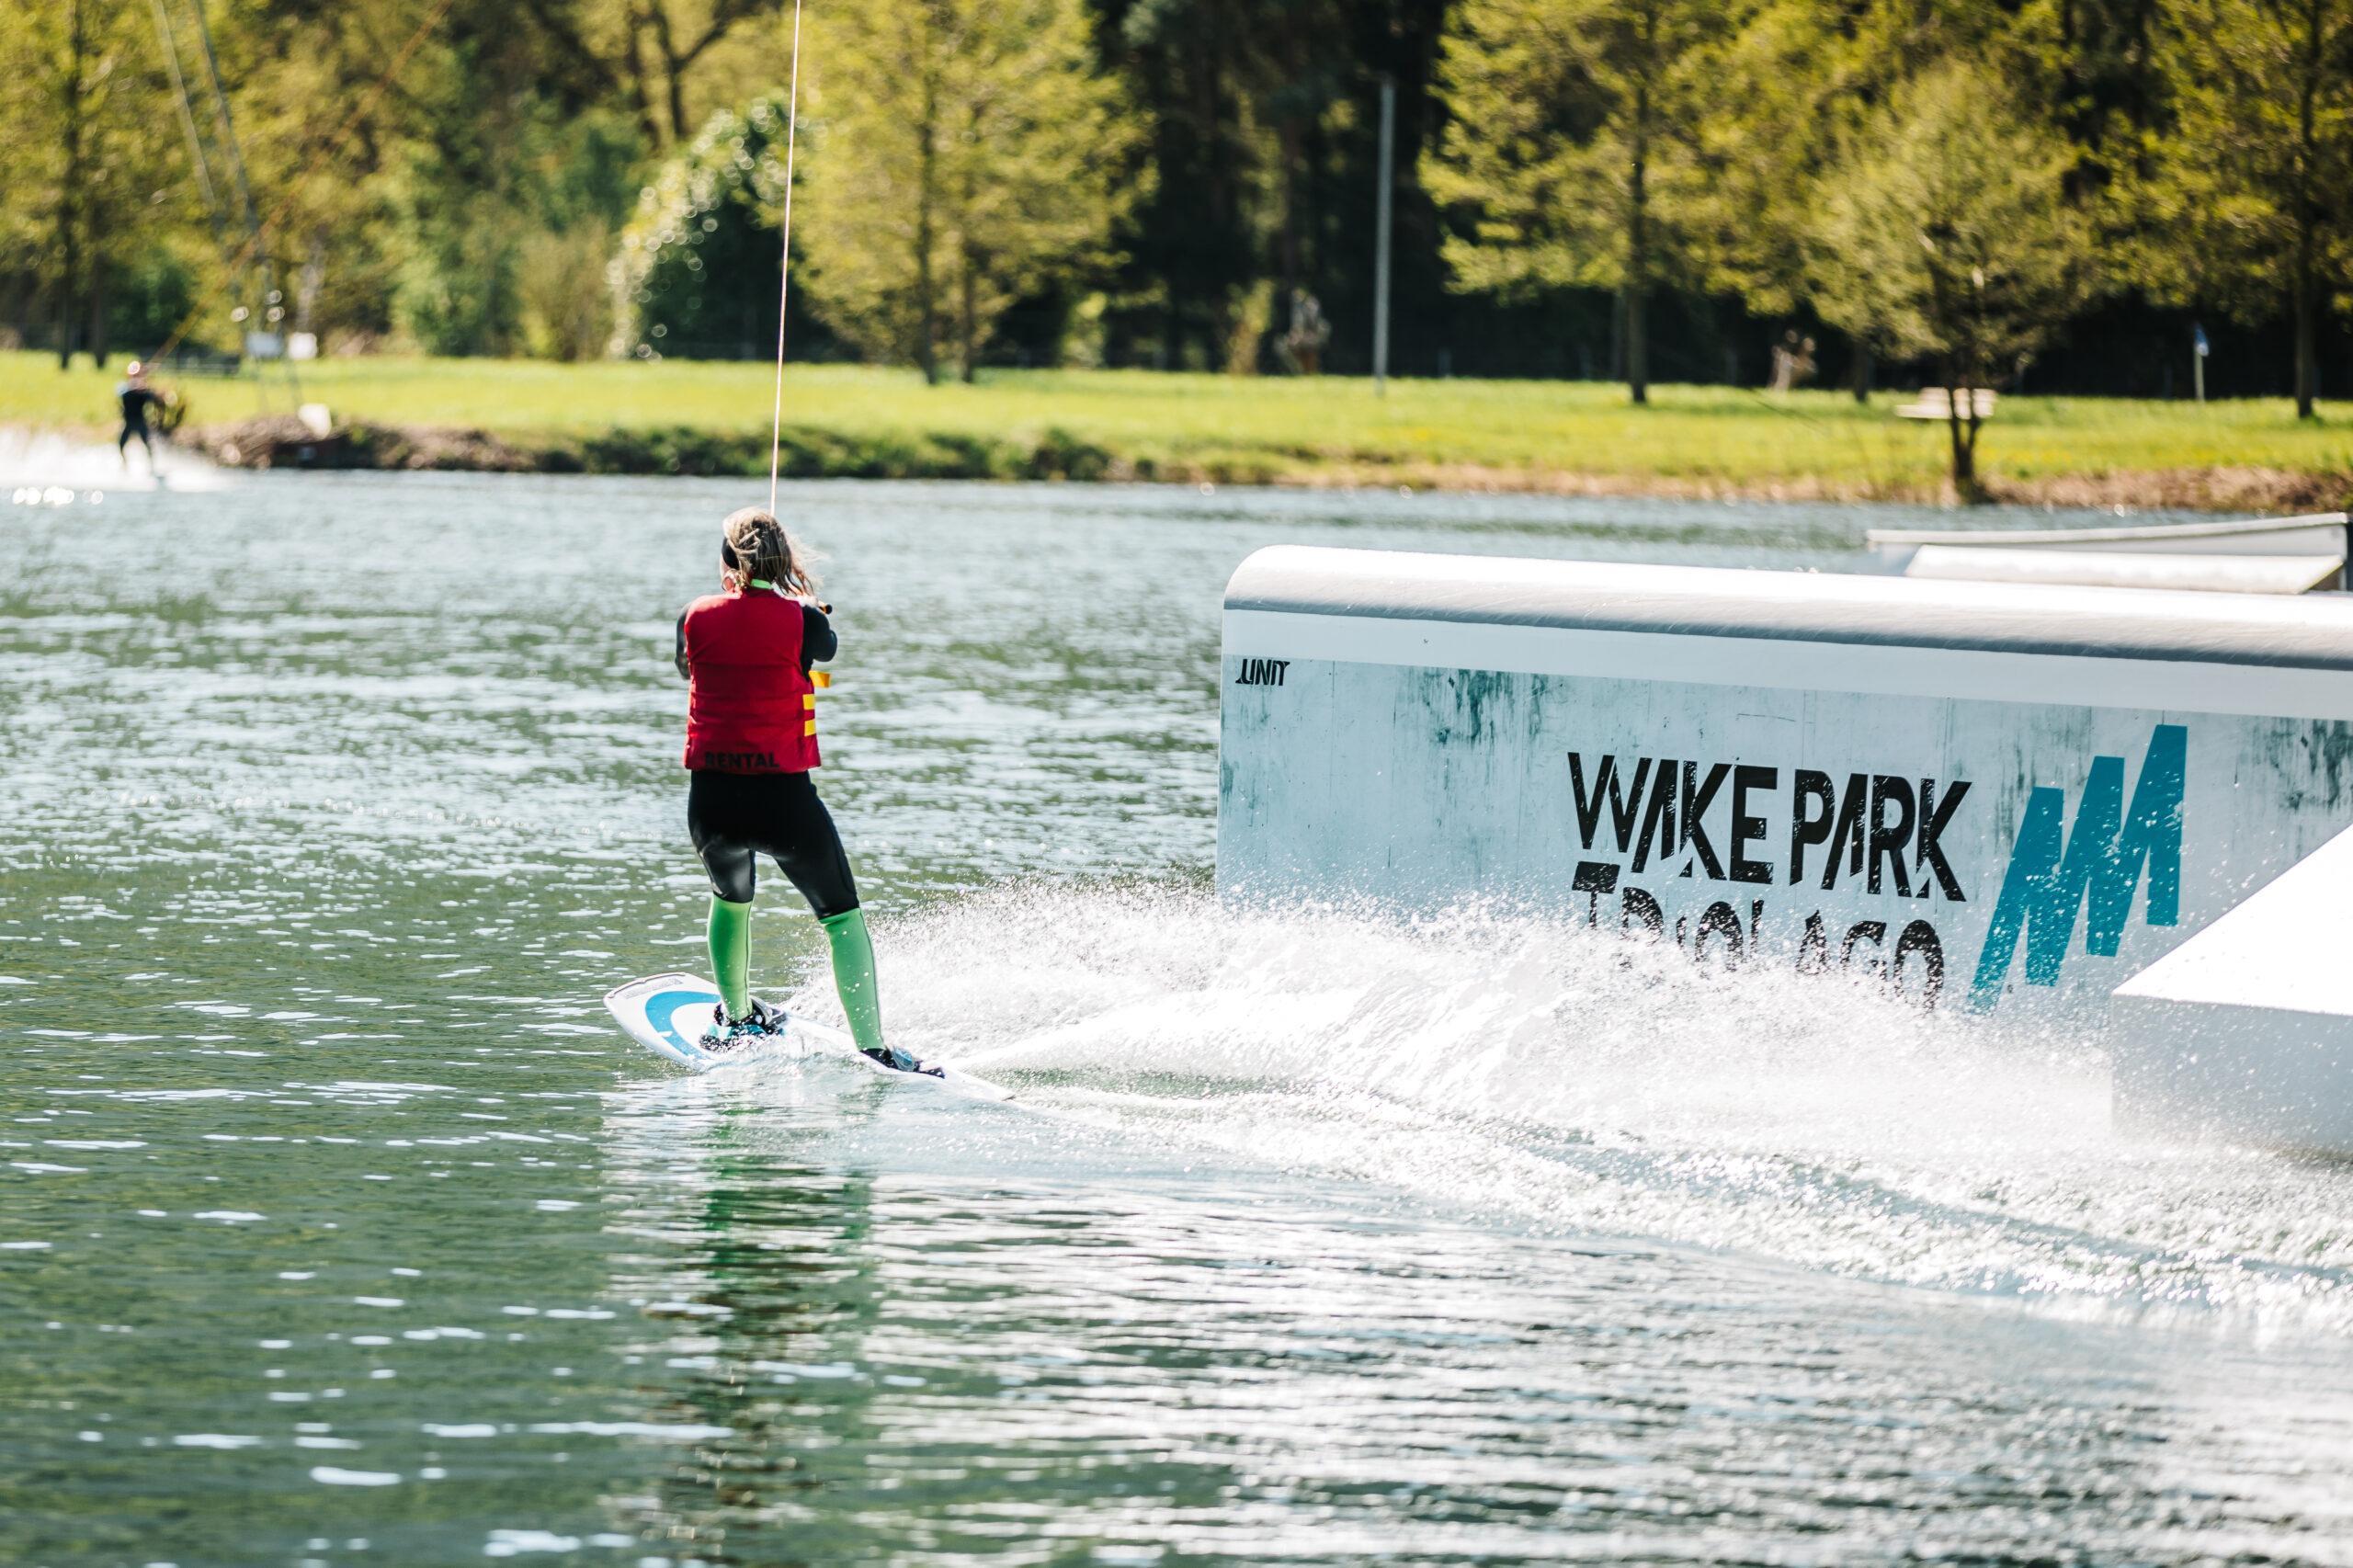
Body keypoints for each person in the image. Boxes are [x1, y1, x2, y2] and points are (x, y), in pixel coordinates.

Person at [676, 506, 926, 1072]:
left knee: (731, 899)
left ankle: (736, 1019)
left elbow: (687, 669)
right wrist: (805, 609)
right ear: (786, 561)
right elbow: (826, 648)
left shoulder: (692, 616)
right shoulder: (804, 621)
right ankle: (873, 1049)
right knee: (841, 916)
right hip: (783, 803)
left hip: (711, 805)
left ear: (726, 562)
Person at [116, 361, 169, 469]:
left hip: (140, 421)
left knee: (147, 443)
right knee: (121, 444)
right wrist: (136, 386)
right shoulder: (125, 388)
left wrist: (148, 388)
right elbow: (121, 392)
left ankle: (151, 465)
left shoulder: (144, 391)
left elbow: (155, 398)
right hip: (128, 422)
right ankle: (124, 463)